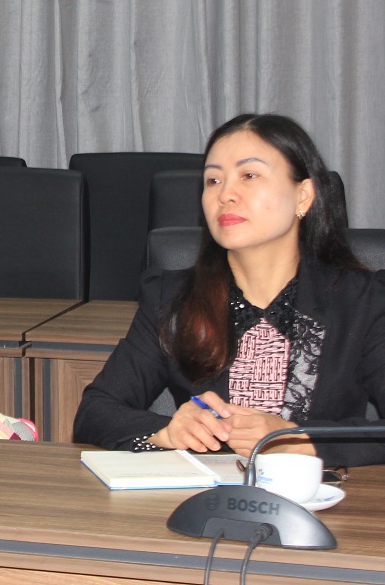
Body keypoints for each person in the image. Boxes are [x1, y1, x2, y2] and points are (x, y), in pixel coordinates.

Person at [74, 113, 385, 466]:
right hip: (205, 496)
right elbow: (95, 411)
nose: (225, 195)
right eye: (213, 180)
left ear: (303, 196)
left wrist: (299, 440)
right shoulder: (172, 298)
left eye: (249, 175)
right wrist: (167, 431)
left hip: (322, 496)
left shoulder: (365, 301)